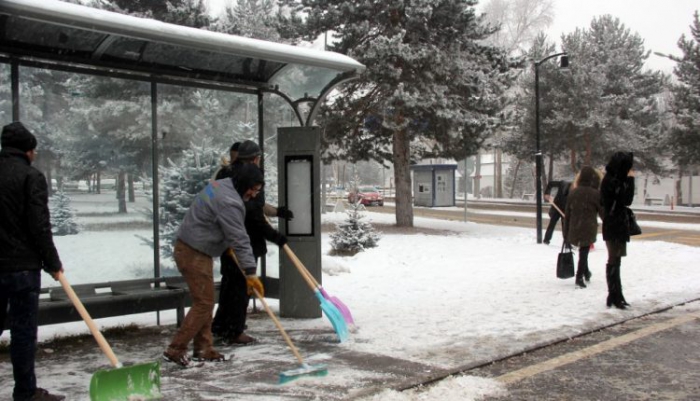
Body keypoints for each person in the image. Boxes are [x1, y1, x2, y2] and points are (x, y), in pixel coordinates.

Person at [163, 163, 265, 367]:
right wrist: (251, 273)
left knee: (205, 300)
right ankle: (176, 348)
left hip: (196, 248)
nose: (253, 195)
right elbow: (239, 237)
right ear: (244, 184)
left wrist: (222, 242)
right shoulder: (229, 202)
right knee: (204, 303)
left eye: (257, 191)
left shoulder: (220, 185)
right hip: (193, 252)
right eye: (252, 189)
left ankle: (204, 348)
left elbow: (212, 219)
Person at [0, 122, 65, 401]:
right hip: (22, 269)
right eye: (34, 150)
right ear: (27, 151)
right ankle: (25, 391)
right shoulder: (30, 177)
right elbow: (39, 225)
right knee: (23, 332)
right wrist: (53, 262)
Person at [212, 140, 293, 345]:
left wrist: (276, 212)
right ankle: (235, 330)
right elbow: (254, 213)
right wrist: (274, 236)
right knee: (241, 287)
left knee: (229, 285)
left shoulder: (225, 174)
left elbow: (255, 204)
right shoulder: (249, 175)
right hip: (244, 240)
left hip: (226, 239)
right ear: (256, 158)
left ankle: (221, 325)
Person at [600, 151, 635, 309]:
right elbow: (626, 199)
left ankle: (616, 294)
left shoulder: (613, 179)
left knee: (616, 259)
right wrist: (630, 180)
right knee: (614, 259)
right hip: (614, 224)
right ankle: (614, 295)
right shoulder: (612, 181)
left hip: (616, 224)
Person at [563, 166, 603, 289]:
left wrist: (566, 232)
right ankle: (579, 277)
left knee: (582, 250)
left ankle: (586, 272)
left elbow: (567, 214)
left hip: (575, 226)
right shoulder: (595, 194)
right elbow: (602, 212)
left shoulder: (573, 192)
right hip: (589, 226)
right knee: (584, 251)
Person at [543, 179, 572, 244]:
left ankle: (567, 243)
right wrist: (547, 193)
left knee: (565, 225)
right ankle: (546, 240)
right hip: (557, 206)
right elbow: (551, 183)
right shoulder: (563, 183)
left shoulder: (577, 188)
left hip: (566, 209)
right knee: (552, 223)